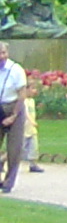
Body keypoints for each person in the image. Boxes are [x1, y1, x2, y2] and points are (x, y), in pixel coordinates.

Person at [0, 43, 25, 193]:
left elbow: (22, 94)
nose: (1, 56)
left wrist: (14, 115)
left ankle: (9, 182)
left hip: (13, 106)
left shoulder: (16, 70)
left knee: (14, 148)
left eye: (3, 53)